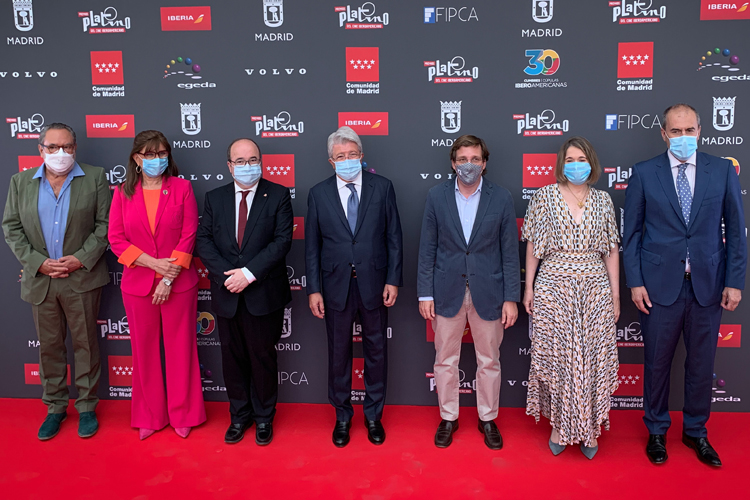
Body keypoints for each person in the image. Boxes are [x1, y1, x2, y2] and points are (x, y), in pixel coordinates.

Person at [623, 104, 746, 467]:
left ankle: (695, 431)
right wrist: (635, 282)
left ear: (700, 131)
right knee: (656, 363)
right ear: (663, 134)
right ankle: (656, 431)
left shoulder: (721, 170)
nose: (683, 137)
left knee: (701, 364)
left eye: (689, 130)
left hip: (708, 286)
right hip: (659, 287)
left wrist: (734, 282)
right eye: (675, 131)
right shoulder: (645, 172)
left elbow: (735, 231)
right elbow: (632, 235)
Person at [3, 123, 110, 440]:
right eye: (52, 147)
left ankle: (87, 406)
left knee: (86, 345)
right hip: (42, 279)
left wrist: (80, 258)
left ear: (75, 148)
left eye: (67, 146)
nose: (60, 153)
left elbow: (105, 225)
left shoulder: (94, 177)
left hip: (82, 277)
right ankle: (55, 408)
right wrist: (38, 263)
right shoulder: (20, 182)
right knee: (49, 348)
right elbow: (11, 228)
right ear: (41, 149)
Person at [417, 134, 520, 450]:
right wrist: (425, 294)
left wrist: (511, 298)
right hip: (446, 291)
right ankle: (448, 417)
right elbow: (427, 248)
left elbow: (509, 252)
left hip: (489, 291)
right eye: (462, 159)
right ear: (453, 163)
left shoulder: (501, 198)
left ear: (484, 163)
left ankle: (487, 418)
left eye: (475, 159)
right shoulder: (436, 196)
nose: (469, 165)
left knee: (488, 360)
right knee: (445, 359)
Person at [521, 136, 620, 459]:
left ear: (592, 163)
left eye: (582, 159)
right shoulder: (544, 196)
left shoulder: (603, 200)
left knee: (590, 357)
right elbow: (533, 245)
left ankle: (589, 426)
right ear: (561, 165)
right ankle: (559, 426)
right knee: (559, 356)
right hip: (553, 286)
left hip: (595, 287)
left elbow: (611, 250)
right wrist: (529, 288)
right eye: (570, 160)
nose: (576, 165)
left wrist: (615, 296)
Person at [306, 126, 403, 447]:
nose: (346, 160)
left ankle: (374, 415)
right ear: (331, 162)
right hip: (335, 286)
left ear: (362, 156)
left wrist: (393, 280)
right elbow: (312, 247)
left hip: (375, 283)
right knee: (338, 354)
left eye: (352, 155)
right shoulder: (318, 193)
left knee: (377, 352)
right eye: (340, 156)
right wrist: (314, 289)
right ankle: (343, 417)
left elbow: (394, 239)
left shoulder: (382, 188)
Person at [108, 130, 206, 440]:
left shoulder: (182, 188)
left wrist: (167, 277)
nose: (157, 159)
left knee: (181, 349)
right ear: (137, 158)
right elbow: (116, 239)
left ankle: (183, 413)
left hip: (179, 284)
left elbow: (189, 235)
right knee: (144, 351)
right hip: (137, 285)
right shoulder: (122, 193)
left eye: (162, 153)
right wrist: (153, 264)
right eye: (149, 154)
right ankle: (149, 415)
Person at [196, 138, 293, 446]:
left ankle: (264, 417)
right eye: (240, 161)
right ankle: (239, 416)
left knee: (262, 357)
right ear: (229, 166)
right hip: (227, 292)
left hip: (263, 293)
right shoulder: (215, 198)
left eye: (253, 160)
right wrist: (228, 276)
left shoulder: (278, 195)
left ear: (261, 162)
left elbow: (281, 242)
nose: (247, 166)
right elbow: (203, 241)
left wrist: (248, 274)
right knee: (232, 358)